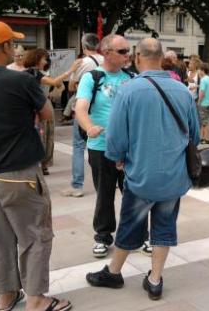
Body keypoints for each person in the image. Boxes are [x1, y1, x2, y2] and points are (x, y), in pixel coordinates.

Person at [86, 38, 200, 300]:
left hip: (141, 175)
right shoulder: (182, 91)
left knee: (130, 224)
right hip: (173, 176)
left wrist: (117, 158)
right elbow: (194, 135)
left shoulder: (128, 90)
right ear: (161, 58)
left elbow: (115, 136)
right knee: (164, 226)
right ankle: (155, 279)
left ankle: (114, 272)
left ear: (138, 58)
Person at [0, 20, 71, 311]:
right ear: (5, 46)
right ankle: (36, 298)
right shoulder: (20, 80)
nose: (17, 48)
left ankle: (7, 296)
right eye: (14, 43)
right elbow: (48, 114)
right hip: (18, 171)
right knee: (35, 235)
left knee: (0, 236)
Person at [75, 34, 133, 257]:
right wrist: (89, 126)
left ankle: (137, 234)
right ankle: (103, 236)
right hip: (101, 147)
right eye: (122, 51)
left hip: (129, 148)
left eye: (128, 50)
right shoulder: (92, 77)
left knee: (134, 194)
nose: (127, 55)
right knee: (105, 194)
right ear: (106, 52)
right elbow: (81, 108)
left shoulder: (132, 77)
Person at [23, 48, 81, 175]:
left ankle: (43, 164)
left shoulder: (38, 73)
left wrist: (53, 93)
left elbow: (59, 85)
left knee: (47, 135)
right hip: (37, 108)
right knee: (42, 136)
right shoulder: (32, 73)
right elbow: (55, 82)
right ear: (37, 59)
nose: (46, 61)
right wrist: (71, 69)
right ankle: (39, 163)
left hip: (42, 105)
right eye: (44, 58)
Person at [62, 33, 103, 198]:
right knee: (102, 144)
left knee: (79, 146)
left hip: (84, 107)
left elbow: (71, 87)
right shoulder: (104, 60)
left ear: (83, 45)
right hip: (102, 108)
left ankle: (77, 185)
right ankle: (108, 180)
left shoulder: (81, 63)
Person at [198, 62, 209, 144]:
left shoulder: (203, 80)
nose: (199, 71)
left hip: (204, 103)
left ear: (203, 70)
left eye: (200, 70)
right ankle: (206, 138)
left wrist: (199, 101)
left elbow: (202, 92)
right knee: (207, 121)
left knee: (204, 122)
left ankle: (204, 138)